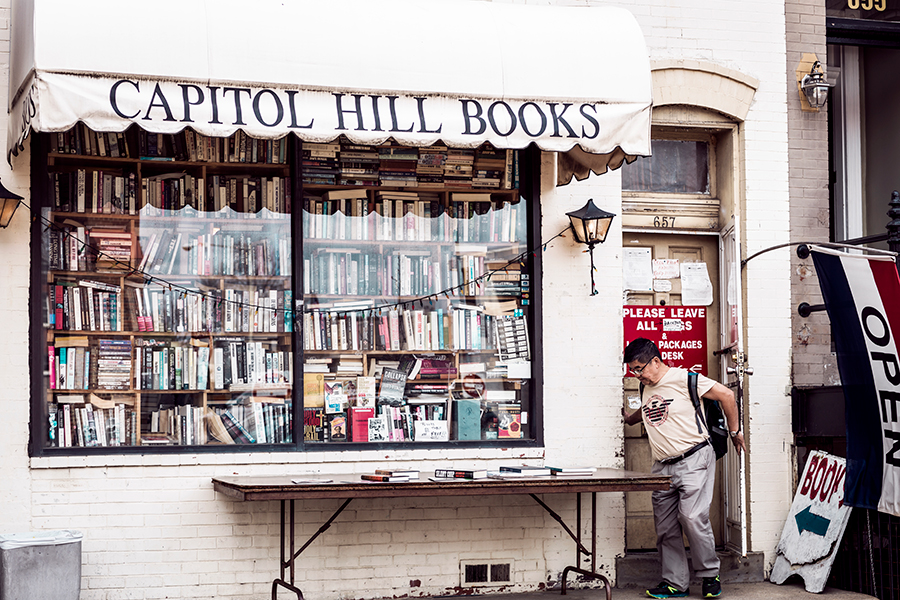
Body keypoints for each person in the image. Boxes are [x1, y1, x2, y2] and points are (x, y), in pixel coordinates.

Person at [622, 338, 745, 599]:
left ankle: (710, 576)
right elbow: (647, 410)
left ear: (655, 361)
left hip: (694, 458)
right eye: (633, 370)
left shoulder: (685, 379)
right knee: (665, 525)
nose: (637, 375)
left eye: (639, 368)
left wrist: (736, 432)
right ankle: (675, 583)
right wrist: (629, 419)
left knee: (691, 517)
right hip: (662, 466)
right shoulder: (646, 385)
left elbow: (727, 395)